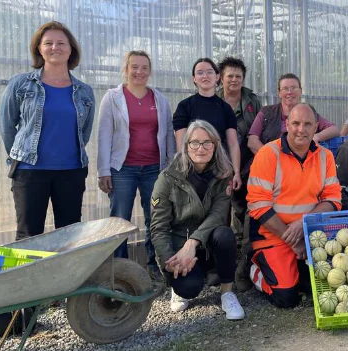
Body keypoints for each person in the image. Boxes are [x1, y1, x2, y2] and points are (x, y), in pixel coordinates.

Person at [0, 21, 95, 240]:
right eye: (48, 43)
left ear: (71, 49)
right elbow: (6, 124)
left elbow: (84, 131)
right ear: (39, 49)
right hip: (30, 172)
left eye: (61, 43)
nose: (55, 47)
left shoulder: (84, 92)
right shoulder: (20, 84)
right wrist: (20, 155)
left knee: (69, 235)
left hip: (71, 172)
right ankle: (27, 276)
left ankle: (66, 276)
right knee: (29, 235)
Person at [247, 104, 342, 308]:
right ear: (287, 124)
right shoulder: (268, 154)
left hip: (310, 232)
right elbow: (258, 205)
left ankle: (296, 268)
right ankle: (254, 266)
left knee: (325, 286)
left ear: (316, 126)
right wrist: (293, 241)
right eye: (296, 123)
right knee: (287, 298)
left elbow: (334, 199)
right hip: (272, 234)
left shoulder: (325, 157)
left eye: (308, 124)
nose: (301, 129)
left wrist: (303, 224)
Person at [150, 120, 245, 319]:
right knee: (189, 288)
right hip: (179, 248)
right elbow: (159, 228)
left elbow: (218, 215)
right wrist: (169, 262)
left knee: (225, 234)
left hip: (207, 244)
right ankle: (179, 288)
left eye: (206, 143)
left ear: (215, 146)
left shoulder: (223, 175)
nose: (200, 148)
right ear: (186, 147)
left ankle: (227, 293)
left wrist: (193, 242)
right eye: (194, 143)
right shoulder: (167, 178)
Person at [97, 50, 176, 279]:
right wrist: (104, 170)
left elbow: (168, 134)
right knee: (120, 219)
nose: (139, 72)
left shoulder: (159, 99)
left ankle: (155, 265)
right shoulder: (113, 97)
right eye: (134, 67)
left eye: (144, 68)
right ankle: (121, 270)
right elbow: (103, 136)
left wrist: (170, 166)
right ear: (126, 69)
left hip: (154, 168)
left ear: (150, 72)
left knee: (156, 216)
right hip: (122, 169)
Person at [216, 56, 262, 292]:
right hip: (217, 166)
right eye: (229, 76)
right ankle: (218, 267)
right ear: (221, 78)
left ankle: (243, 267)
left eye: (238, 76)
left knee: (245, 213)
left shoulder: (252, 101)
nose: (234, 80)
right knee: (219, 213)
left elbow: (258, 131)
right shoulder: (212, 99)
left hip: (247, 165)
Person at [173, 57, 242, 192]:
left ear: (217, 77)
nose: (205, 76)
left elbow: (233, 143)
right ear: (194, 78)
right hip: (192, 169)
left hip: (220, 169)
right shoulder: (184, 106)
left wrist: (236, 172)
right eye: (200, 73)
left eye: (209, 72)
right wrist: (184, 170)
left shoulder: (225, 108)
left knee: (220, 210)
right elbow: (181, 142)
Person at [246, 73, 339, 154]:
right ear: (279, 93)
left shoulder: (308, 113)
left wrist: (316, 137)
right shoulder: (266, 112)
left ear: (300, 91)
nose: (290, 92)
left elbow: (334, 130)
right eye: (285, 89)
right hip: (270, 164)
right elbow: (252, 141)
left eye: (293, 88)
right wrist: (272, 156)